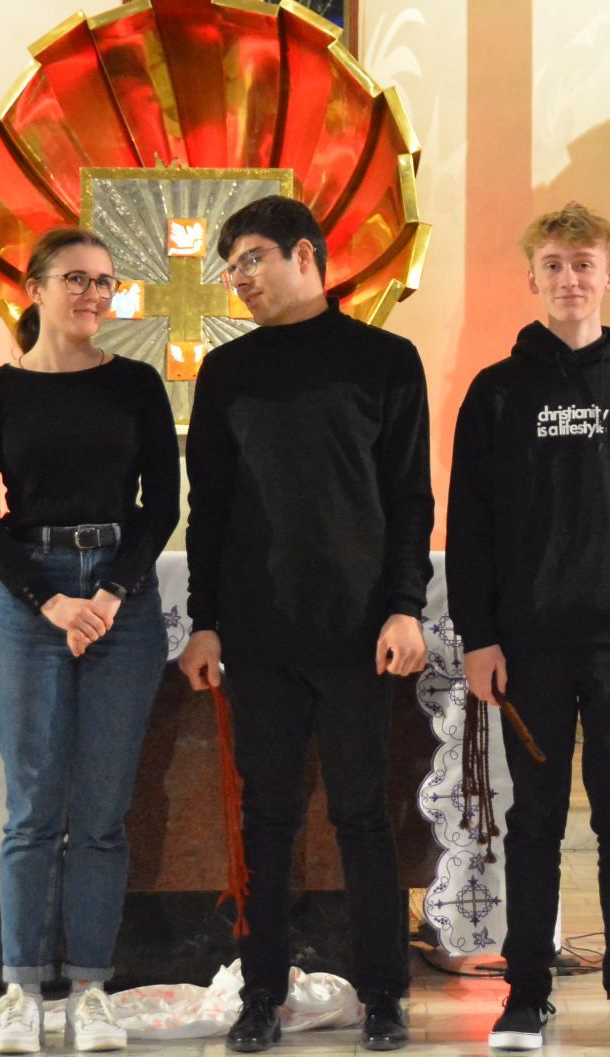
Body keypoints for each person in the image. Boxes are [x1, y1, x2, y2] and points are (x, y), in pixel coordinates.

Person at [177, 196, 434, 1053]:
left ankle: (385, 995)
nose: (238, 279)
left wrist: (405, 605)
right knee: (267, 819)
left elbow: (410, 498)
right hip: (258, 635)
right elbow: (209, 507)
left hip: (360, 634)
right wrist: (204, 620)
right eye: (230, 267)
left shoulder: (386, 360)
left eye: (252, 259)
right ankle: (261, 995)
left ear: (306, 256)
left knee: (363, 816)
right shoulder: (228, 372)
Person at [447, 203, 610, 1051]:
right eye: (554, 264)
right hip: (529, 646)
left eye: (584, 263)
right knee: (535, 822)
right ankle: (526, 991)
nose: (569, 278)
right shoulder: (497, 391)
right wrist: (479, 634)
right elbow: (471, 521)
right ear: (533, 278)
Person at [0, 227, 179, 1054]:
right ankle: (20, 991)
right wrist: (48, 598)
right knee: (32, 808)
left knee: (102, 810)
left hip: (122, 599)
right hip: (31, 600)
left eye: (105, 282)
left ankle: (90, 990)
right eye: (77, 279)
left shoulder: (135, 383)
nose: (93, 294)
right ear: (37, 287)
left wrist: (112, 591)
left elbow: (162, 504)